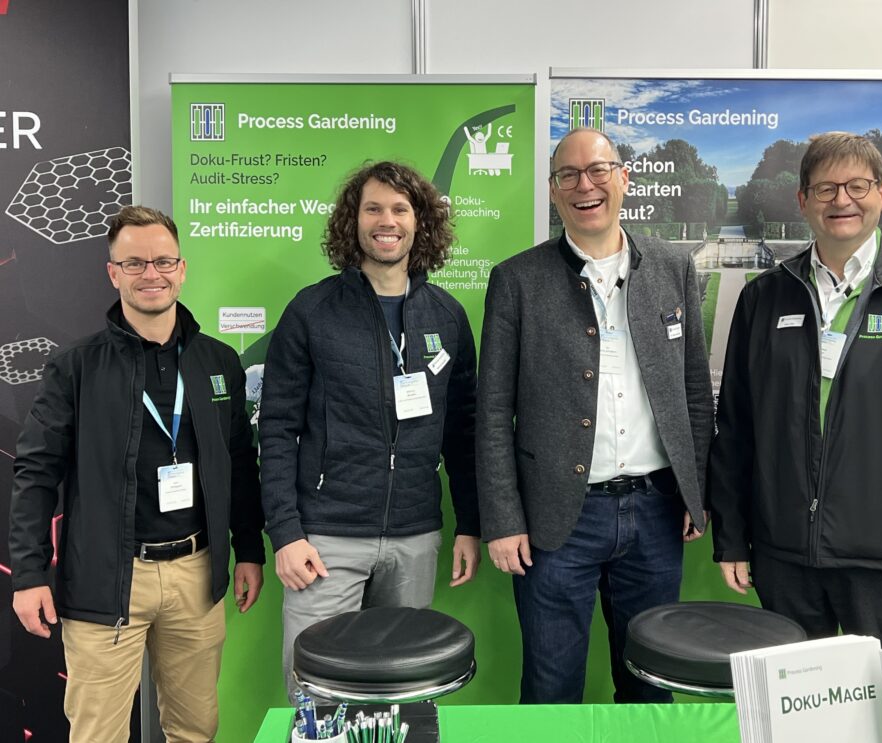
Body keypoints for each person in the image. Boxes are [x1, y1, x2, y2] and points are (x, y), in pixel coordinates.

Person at [709, 131, 882, 647]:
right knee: (794, 714)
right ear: (803, 200)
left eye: (857, 185)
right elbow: (737, 428)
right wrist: (732, 538)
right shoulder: (765, 297)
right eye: (826, 188)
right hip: (783, 557)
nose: (842, 201)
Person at [9, 205, 265, 742]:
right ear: (113, 273)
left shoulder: (218, 361)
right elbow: (35, 472)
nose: (152, 273)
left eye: (163, 261)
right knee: (98, 733)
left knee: (195, 730)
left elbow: (240, 461)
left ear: (182, 268)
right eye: (135, 263)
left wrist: (248, 550)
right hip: (107, 579)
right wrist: (29, 574)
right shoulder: (76, 366)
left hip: (197, 573)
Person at [477, 128, 714, 703]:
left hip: (657, 511)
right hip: (557, 520)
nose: (585, 185)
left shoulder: (673, 269)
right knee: (552, 686)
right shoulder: (517, 280)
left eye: (598, 170)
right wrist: (504, 518)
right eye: (568, 176)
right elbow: (491, 412)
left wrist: (694, 491)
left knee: (649, 684)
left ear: (623, 178)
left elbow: (693, 394)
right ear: (554, 193)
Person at [259, 161, 479, 692]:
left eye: (400, 209)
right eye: (373, 208)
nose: (388, 220)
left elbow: (465, 432)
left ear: (420, 222)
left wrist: (470, 523)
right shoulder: (311, 311)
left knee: (401, 696)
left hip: (415, 537)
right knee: (316, 697)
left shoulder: (447, 317)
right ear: (352, 222)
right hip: (326, 541)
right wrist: (285, 533)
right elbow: (276, 429)